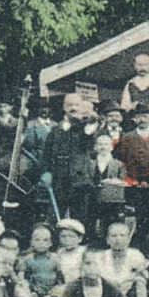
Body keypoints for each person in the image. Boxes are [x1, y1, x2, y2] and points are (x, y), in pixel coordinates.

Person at [42, 93, 100, 231]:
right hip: (59, 180)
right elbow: (47, 156)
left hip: (79, 181)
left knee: (79, 218)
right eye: (69, 105)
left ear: (82, 107)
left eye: (76, 104)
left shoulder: (87, 128)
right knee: (55, 216)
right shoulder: (55, 130)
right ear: (64, 107)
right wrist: (46, 174)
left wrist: (89, 121)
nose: (73, 108)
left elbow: (89, 139)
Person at [115, 105, 149, 233]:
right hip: (136, 184)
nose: (142, 119)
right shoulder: (127, 137)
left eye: (145, 116)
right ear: (134, 119)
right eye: (139, 116)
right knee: (140, 217)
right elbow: (121, 159)